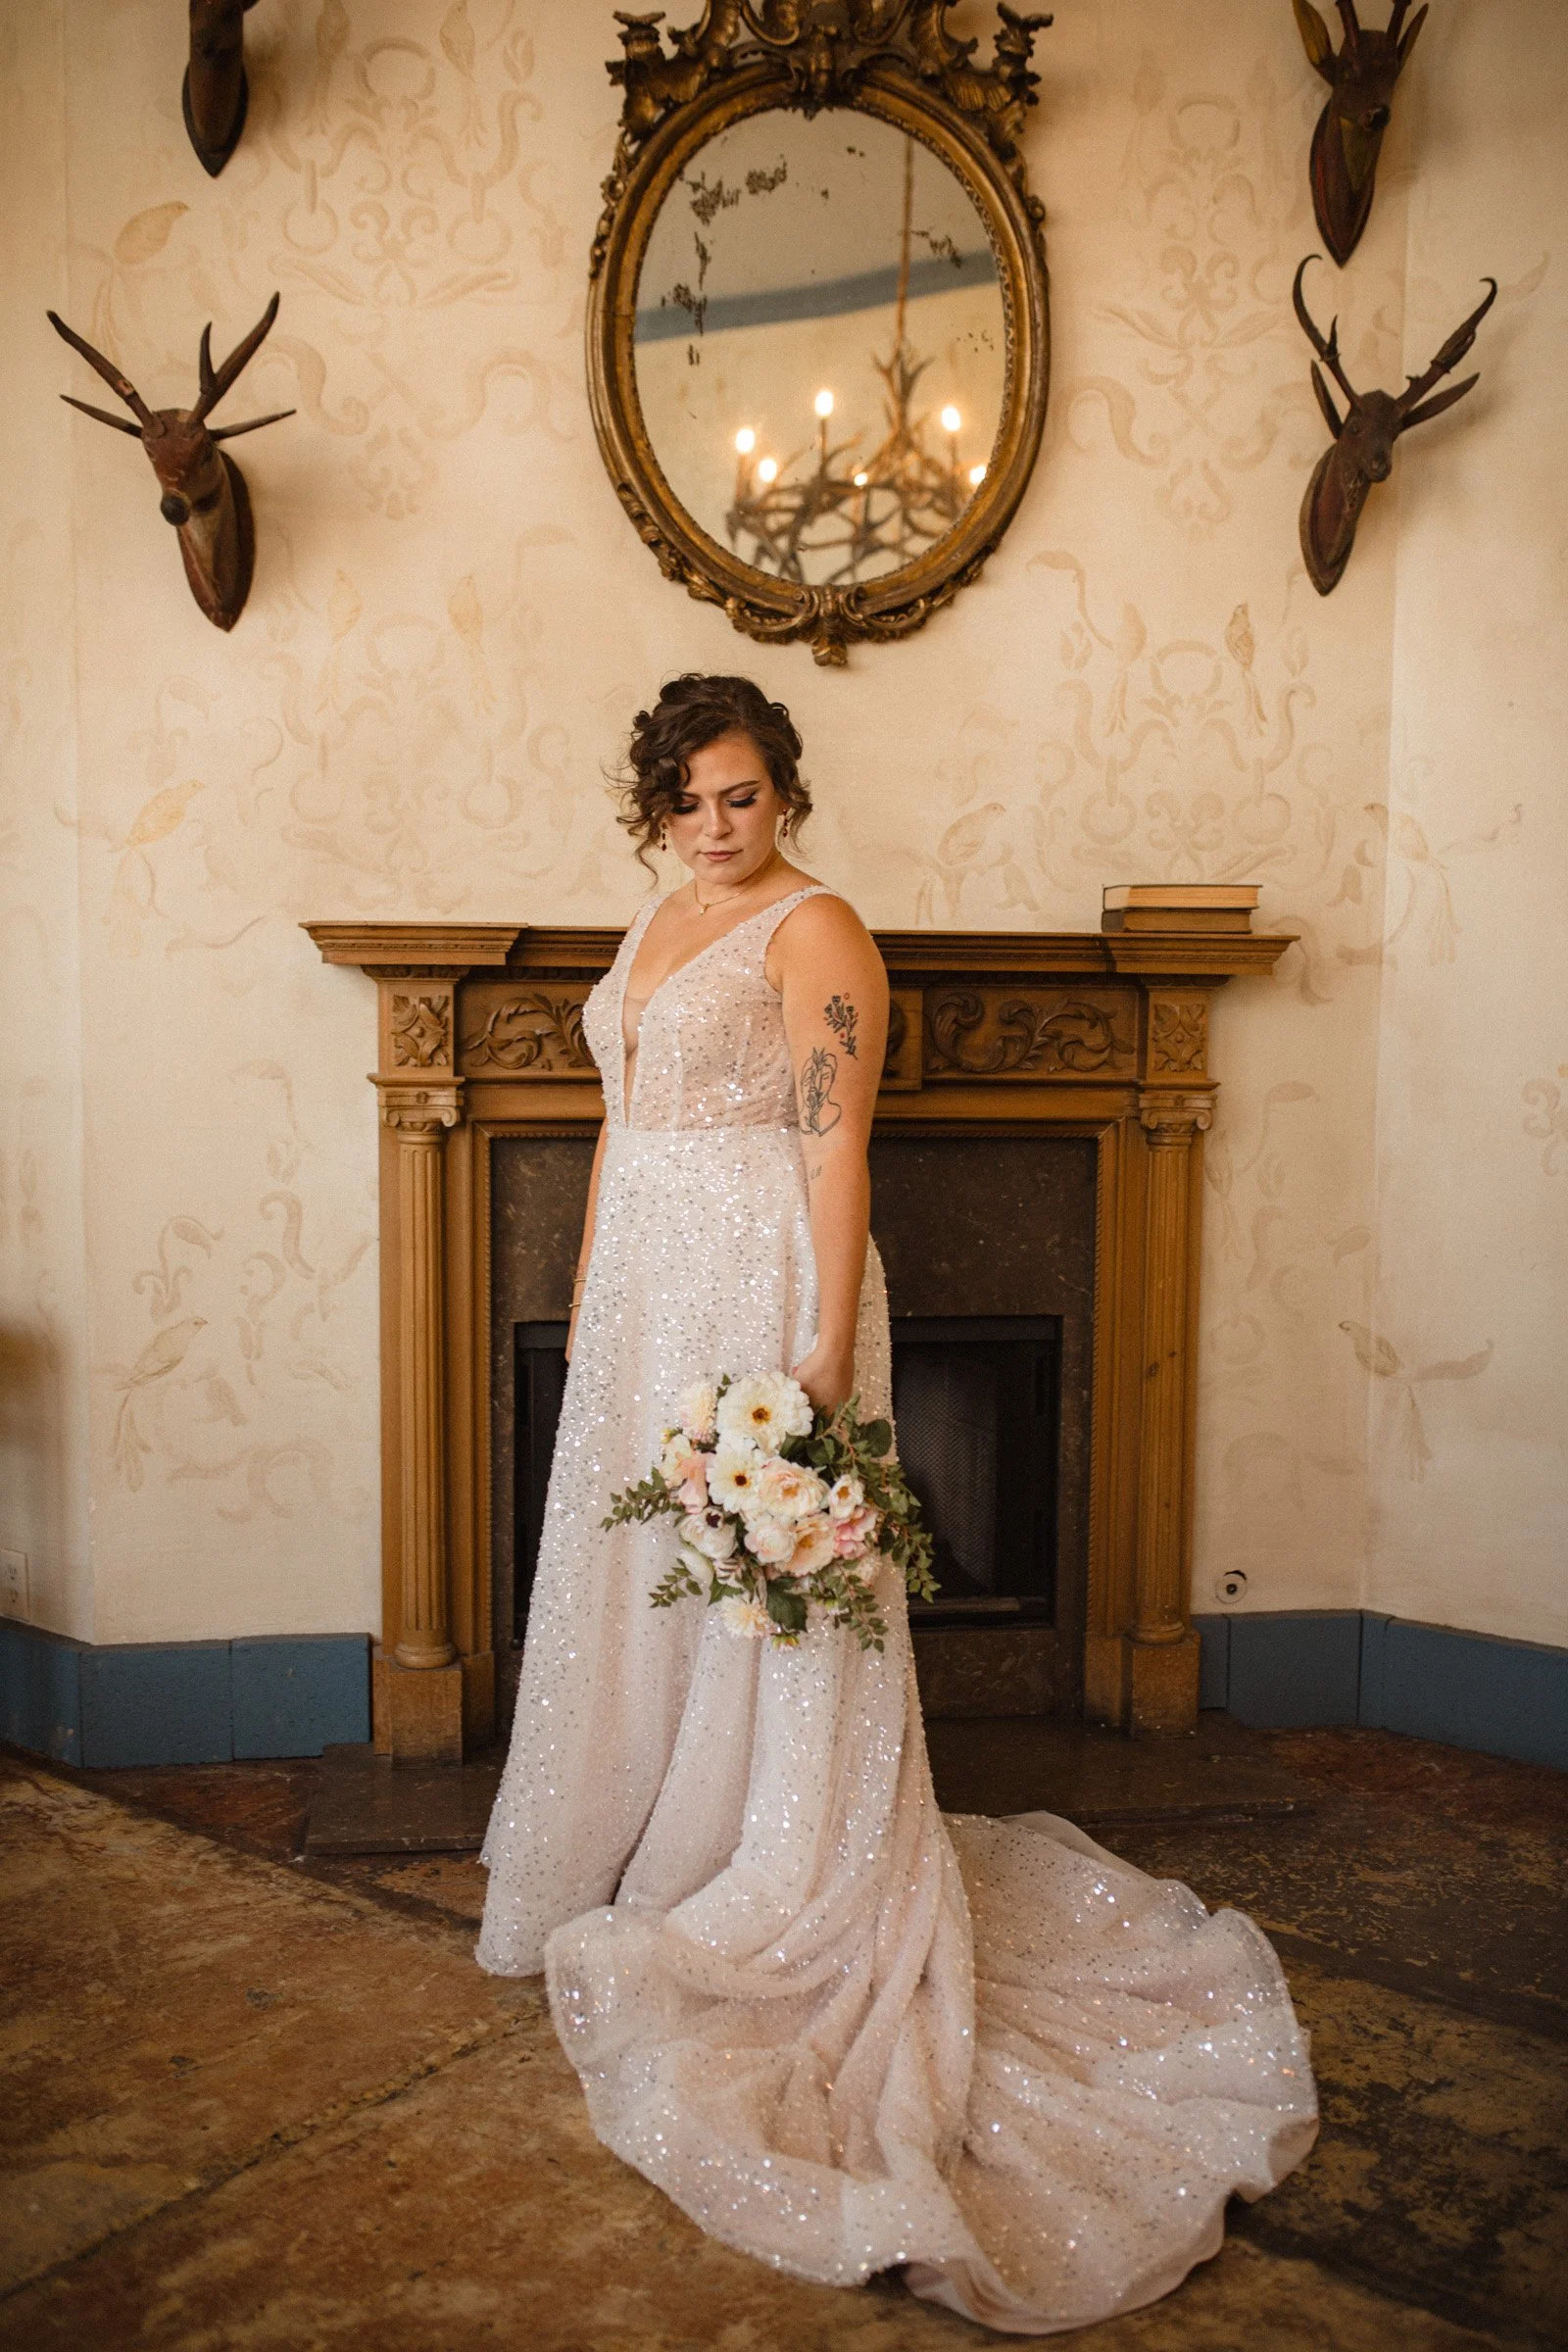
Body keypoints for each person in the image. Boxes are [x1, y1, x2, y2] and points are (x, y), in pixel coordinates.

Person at [477, 673, 1316, 2333]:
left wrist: (818, 1363)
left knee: (760, 1591)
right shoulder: (651, 925)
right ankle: (641, 1841)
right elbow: (613, 1133)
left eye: (744, 796)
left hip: (758, 1287)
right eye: (690, 801)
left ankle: (769, 1865)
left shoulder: (816, 929)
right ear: (651, 810)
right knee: (638, 1575)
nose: (719, 826)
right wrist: (584, 1320)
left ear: (785, 794)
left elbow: (834, 1146)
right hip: (643, 1292)